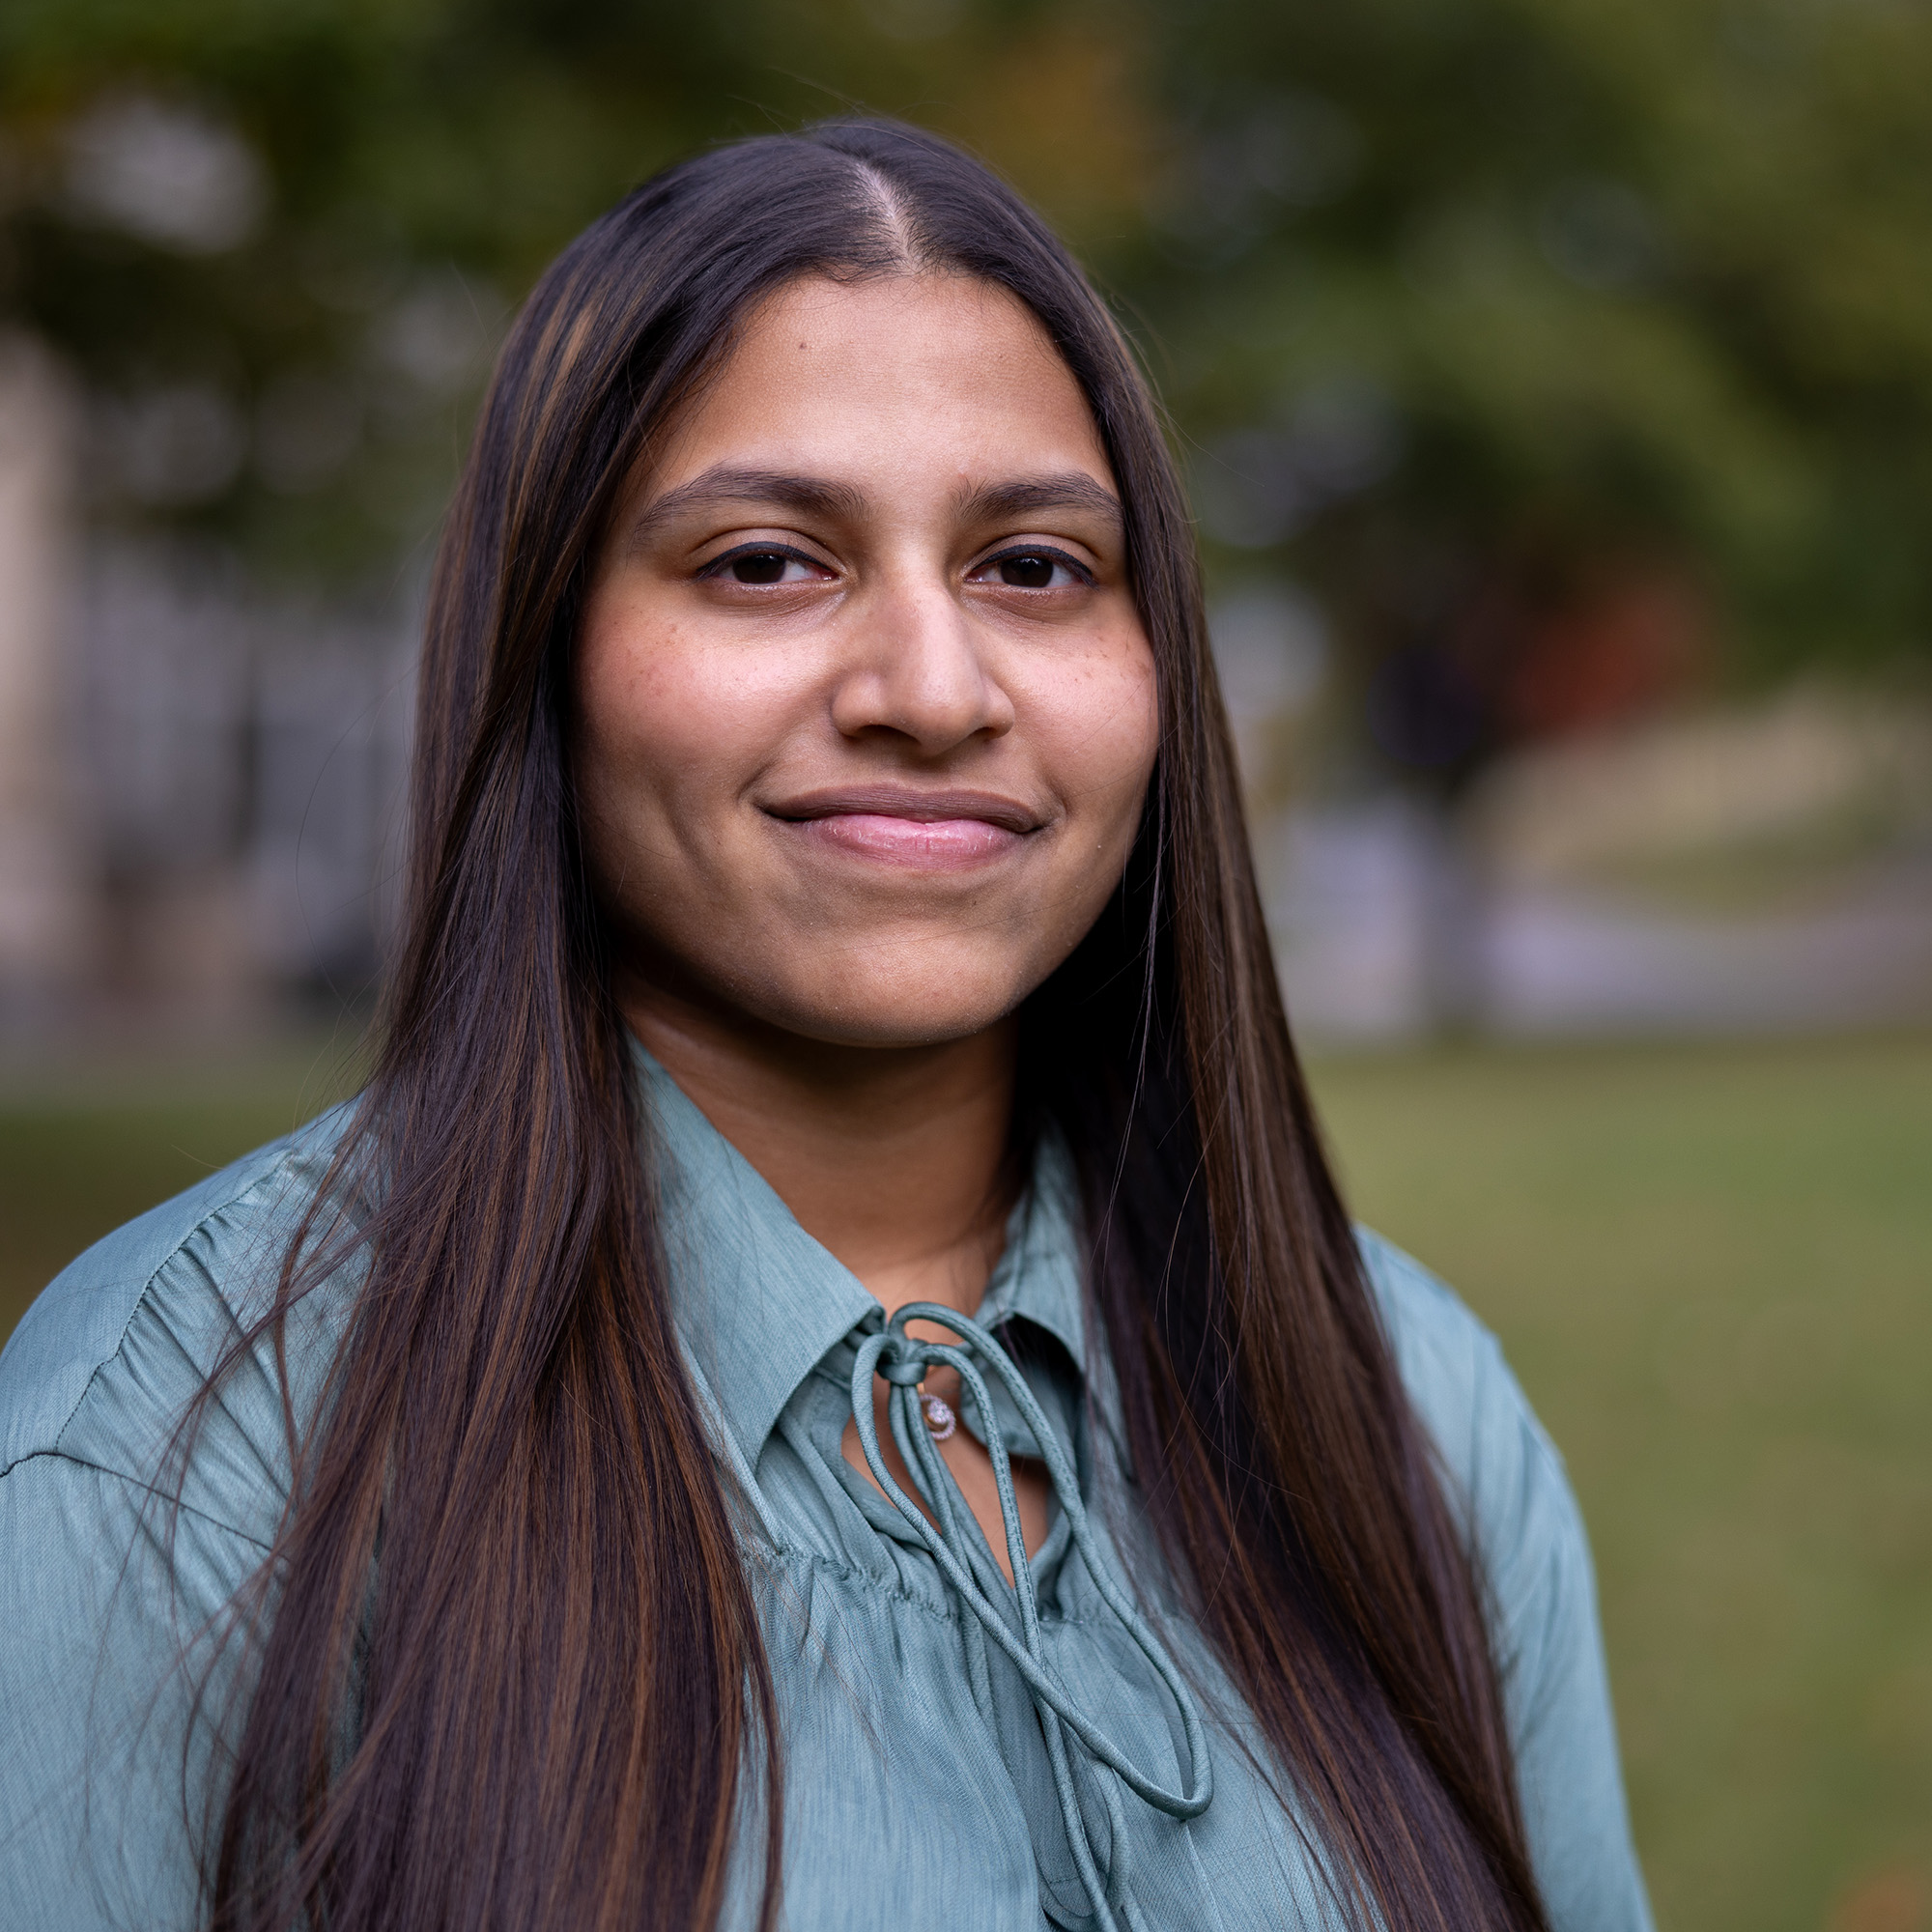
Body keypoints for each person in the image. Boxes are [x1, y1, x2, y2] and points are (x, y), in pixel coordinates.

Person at [0, 120, 1651, 1932]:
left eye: (1032, 567)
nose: (933, 692)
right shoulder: (181, 1461)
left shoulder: (1405, 1409)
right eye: (768, 562)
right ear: (546, 642)